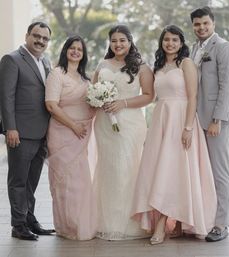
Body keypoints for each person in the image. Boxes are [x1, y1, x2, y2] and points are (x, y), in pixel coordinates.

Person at [132, 25, 217, 245]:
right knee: (163, 169)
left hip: (181, 120)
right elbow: (150, 95)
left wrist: (188, 128)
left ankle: (162, 224)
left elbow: (193, 97)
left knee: (173, 171)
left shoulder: (186, 64)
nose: (170, 43)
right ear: (162, 42)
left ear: (181, 43)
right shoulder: (158, 66)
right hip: (161, 119)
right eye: (166, 39)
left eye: (175, 40)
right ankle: (176, 224)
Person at [92, 24, 154, 240]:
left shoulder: (141, 67)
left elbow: (149, 95)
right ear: (110, 43)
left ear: (130, 41)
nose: (118, 44)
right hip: (104, 124)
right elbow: (92, 91)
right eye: (114, 40)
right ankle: (106, 221)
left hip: (129, 123)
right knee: (108, 169)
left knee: (126, 168)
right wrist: (98, 100)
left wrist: (123, 103)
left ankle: (129, 223)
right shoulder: (102, 65)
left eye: (122, 40)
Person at [0, 22, 55, 240]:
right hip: (20, 132)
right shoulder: (12, 60)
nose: (40, 40)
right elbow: (6, 97)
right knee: (18, 180)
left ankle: (30, 219)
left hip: (42, 132)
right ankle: (18, 225)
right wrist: (10, 128)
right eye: (36, 36)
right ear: (27, 35)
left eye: (45, 38)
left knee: (32, 181)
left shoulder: (46, 61)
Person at [45, 35, 97, 240]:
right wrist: (73, 125)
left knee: (81, 182)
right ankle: (66, 226)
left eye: (80, 49)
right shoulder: (57, 74)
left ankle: (81, 223)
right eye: (72, 48)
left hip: (82, 135)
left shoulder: (86, 79)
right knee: (64, 182)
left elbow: (90, 105)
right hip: (62, 132)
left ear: (83, 55)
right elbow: (51, 105)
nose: (76, 51)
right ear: (65, 50)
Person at [190, 6, 229, 242]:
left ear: (213, 23)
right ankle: (204, 218)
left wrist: (217, 119)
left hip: (216, 120)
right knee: (202, 171)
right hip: (196, 119)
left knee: (219, 173)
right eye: (197, 24)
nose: (201, 28)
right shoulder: (194, 49)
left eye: (205, 23)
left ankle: (221, 224)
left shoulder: (224, 47)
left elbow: (227, 87)